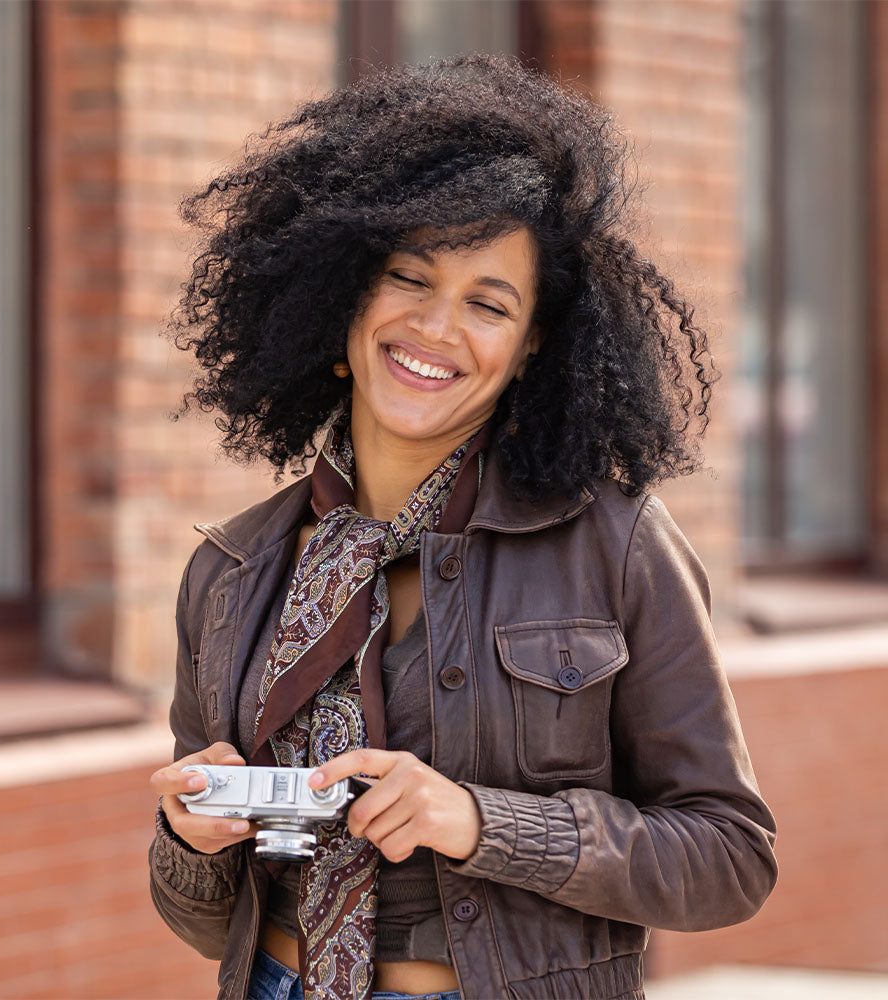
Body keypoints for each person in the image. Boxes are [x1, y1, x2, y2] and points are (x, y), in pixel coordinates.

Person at [148, 54, 777, 1000]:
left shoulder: (616, 545)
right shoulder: (232, 569)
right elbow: (203, 925)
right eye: (409, 278)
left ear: (531, 350)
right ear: (346, 298)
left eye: (489, 303)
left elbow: (730, 859)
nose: (438, 327)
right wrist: (189, 839)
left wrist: (481, 823)